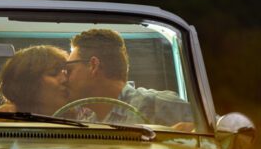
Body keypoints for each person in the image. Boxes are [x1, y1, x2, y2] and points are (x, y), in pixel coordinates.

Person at [63, 28, 195, 128]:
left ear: (93, 66)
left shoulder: (154, 104)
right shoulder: (89, 122)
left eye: (69, 69)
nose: (65, 78)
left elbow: (214, 130)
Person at [0, 45, 70, 115]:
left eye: (67, 72)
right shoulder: (9, 120)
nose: (65, 79)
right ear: (27, 85)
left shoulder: (79, 114)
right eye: (53, 73)